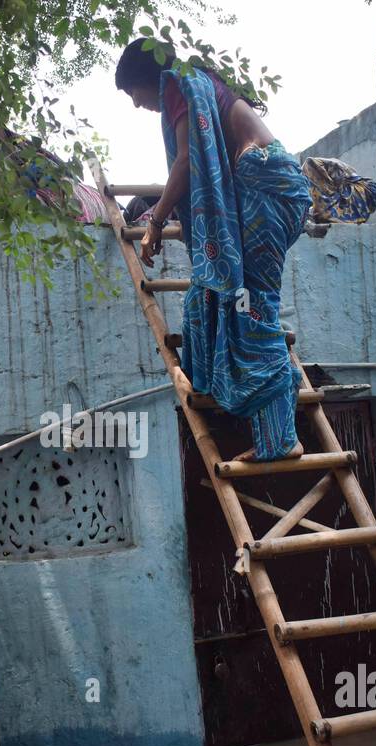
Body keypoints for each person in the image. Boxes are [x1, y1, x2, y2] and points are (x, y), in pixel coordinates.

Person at [114, 38, 311, 461]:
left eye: (133, 94)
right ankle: (232, 403)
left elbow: (185, 162)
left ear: (148, 79)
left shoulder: (180, 86)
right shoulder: (196, 85)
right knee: (210, 299)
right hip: (270, 186)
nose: (136, 105)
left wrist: (155, 221)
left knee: (251, 310)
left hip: (265, 186)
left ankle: (281, 440)